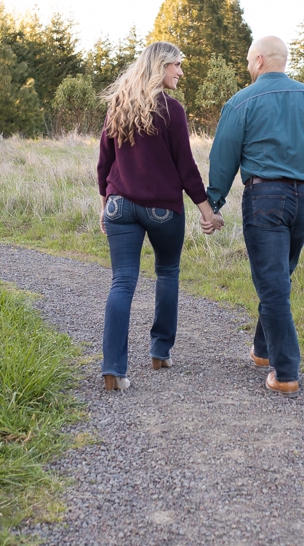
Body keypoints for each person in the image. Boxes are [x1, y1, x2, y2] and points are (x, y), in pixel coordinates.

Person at [205, 35, 304, 397]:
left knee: (273, 284)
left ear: (258, 60)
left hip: (265, 197)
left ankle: (285, 372)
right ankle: (262, 349)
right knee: (278, 278)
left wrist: (214, 202)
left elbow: (223, 156)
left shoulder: (241, 102)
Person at [96, 42, 223, 392]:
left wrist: (105, 202)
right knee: (167, 273)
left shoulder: (118, 105)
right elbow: (186, 167)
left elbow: (104, 163)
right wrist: (207, 212)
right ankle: (160, 351)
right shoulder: (171, 109)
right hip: (162, 210)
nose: (180, 72)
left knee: (122, 281)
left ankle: (113, 370)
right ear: (160, 66)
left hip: (119, 206)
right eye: (176, 66)